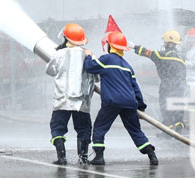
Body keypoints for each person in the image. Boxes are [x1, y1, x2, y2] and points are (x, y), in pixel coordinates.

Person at [83, 31, 158, 166]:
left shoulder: (106, 59)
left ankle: (99, 157)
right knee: (135, 130)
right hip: (130, 103)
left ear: (110, 46)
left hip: (112, 102)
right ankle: (151, 155)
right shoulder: (128, 66)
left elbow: (90, 67)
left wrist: (88, 56)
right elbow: (136, 88)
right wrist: (141, 107)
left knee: (100, 127)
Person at [45, 23, 96, 165]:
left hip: (62, 100)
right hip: (82, 102)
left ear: (65, 38)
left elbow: (50, 71)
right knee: (84, 129)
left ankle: (62, 158)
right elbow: (96, 75)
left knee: (57, 128)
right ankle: (83, 158)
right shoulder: (88, 55)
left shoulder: (58, 54)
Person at [133, 30, 187, 130]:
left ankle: (167, 130)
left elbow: (145, 52)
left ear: (169, 43)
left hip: (167, 86)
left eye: (165, 42)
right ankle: (179, 125)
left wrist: (133, 46)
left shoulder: (161, 55)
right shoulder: (181, 56)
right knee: (178, 107)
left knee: (165, 107)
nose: (164, 43)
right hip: (180, 86)